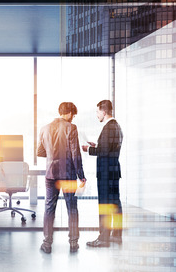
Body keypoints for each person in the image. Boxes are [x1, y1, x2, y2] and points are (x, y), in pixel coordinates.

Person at [37, 102, 86, 254]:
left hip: (51, 174)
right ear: (69, 112)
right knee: (71, 208)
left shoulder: (44, 128)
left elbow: (40, 152)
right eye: (73, 114)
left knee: (49, 207)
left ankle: (47, 243)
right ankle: (73, 243)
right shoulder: (71, 128)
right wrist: (81, 176)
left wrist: (53, 154)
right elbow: (75, 154)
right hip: (67, 175)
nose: (73, 118)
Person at [82, 100, 123, 247]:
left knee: (105, 204)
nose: (97, 114)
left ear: (104, 112)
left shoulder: (108, 128)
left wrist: (89, 149)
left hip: (106, 173)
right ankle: (117, 235)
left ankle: (104, 238)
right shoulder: (116, 126)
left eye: (98, 112)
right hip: (113, 171)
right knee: (115, 203)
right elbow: (108, 148)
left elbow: (104, 152)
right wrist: (97, 145)